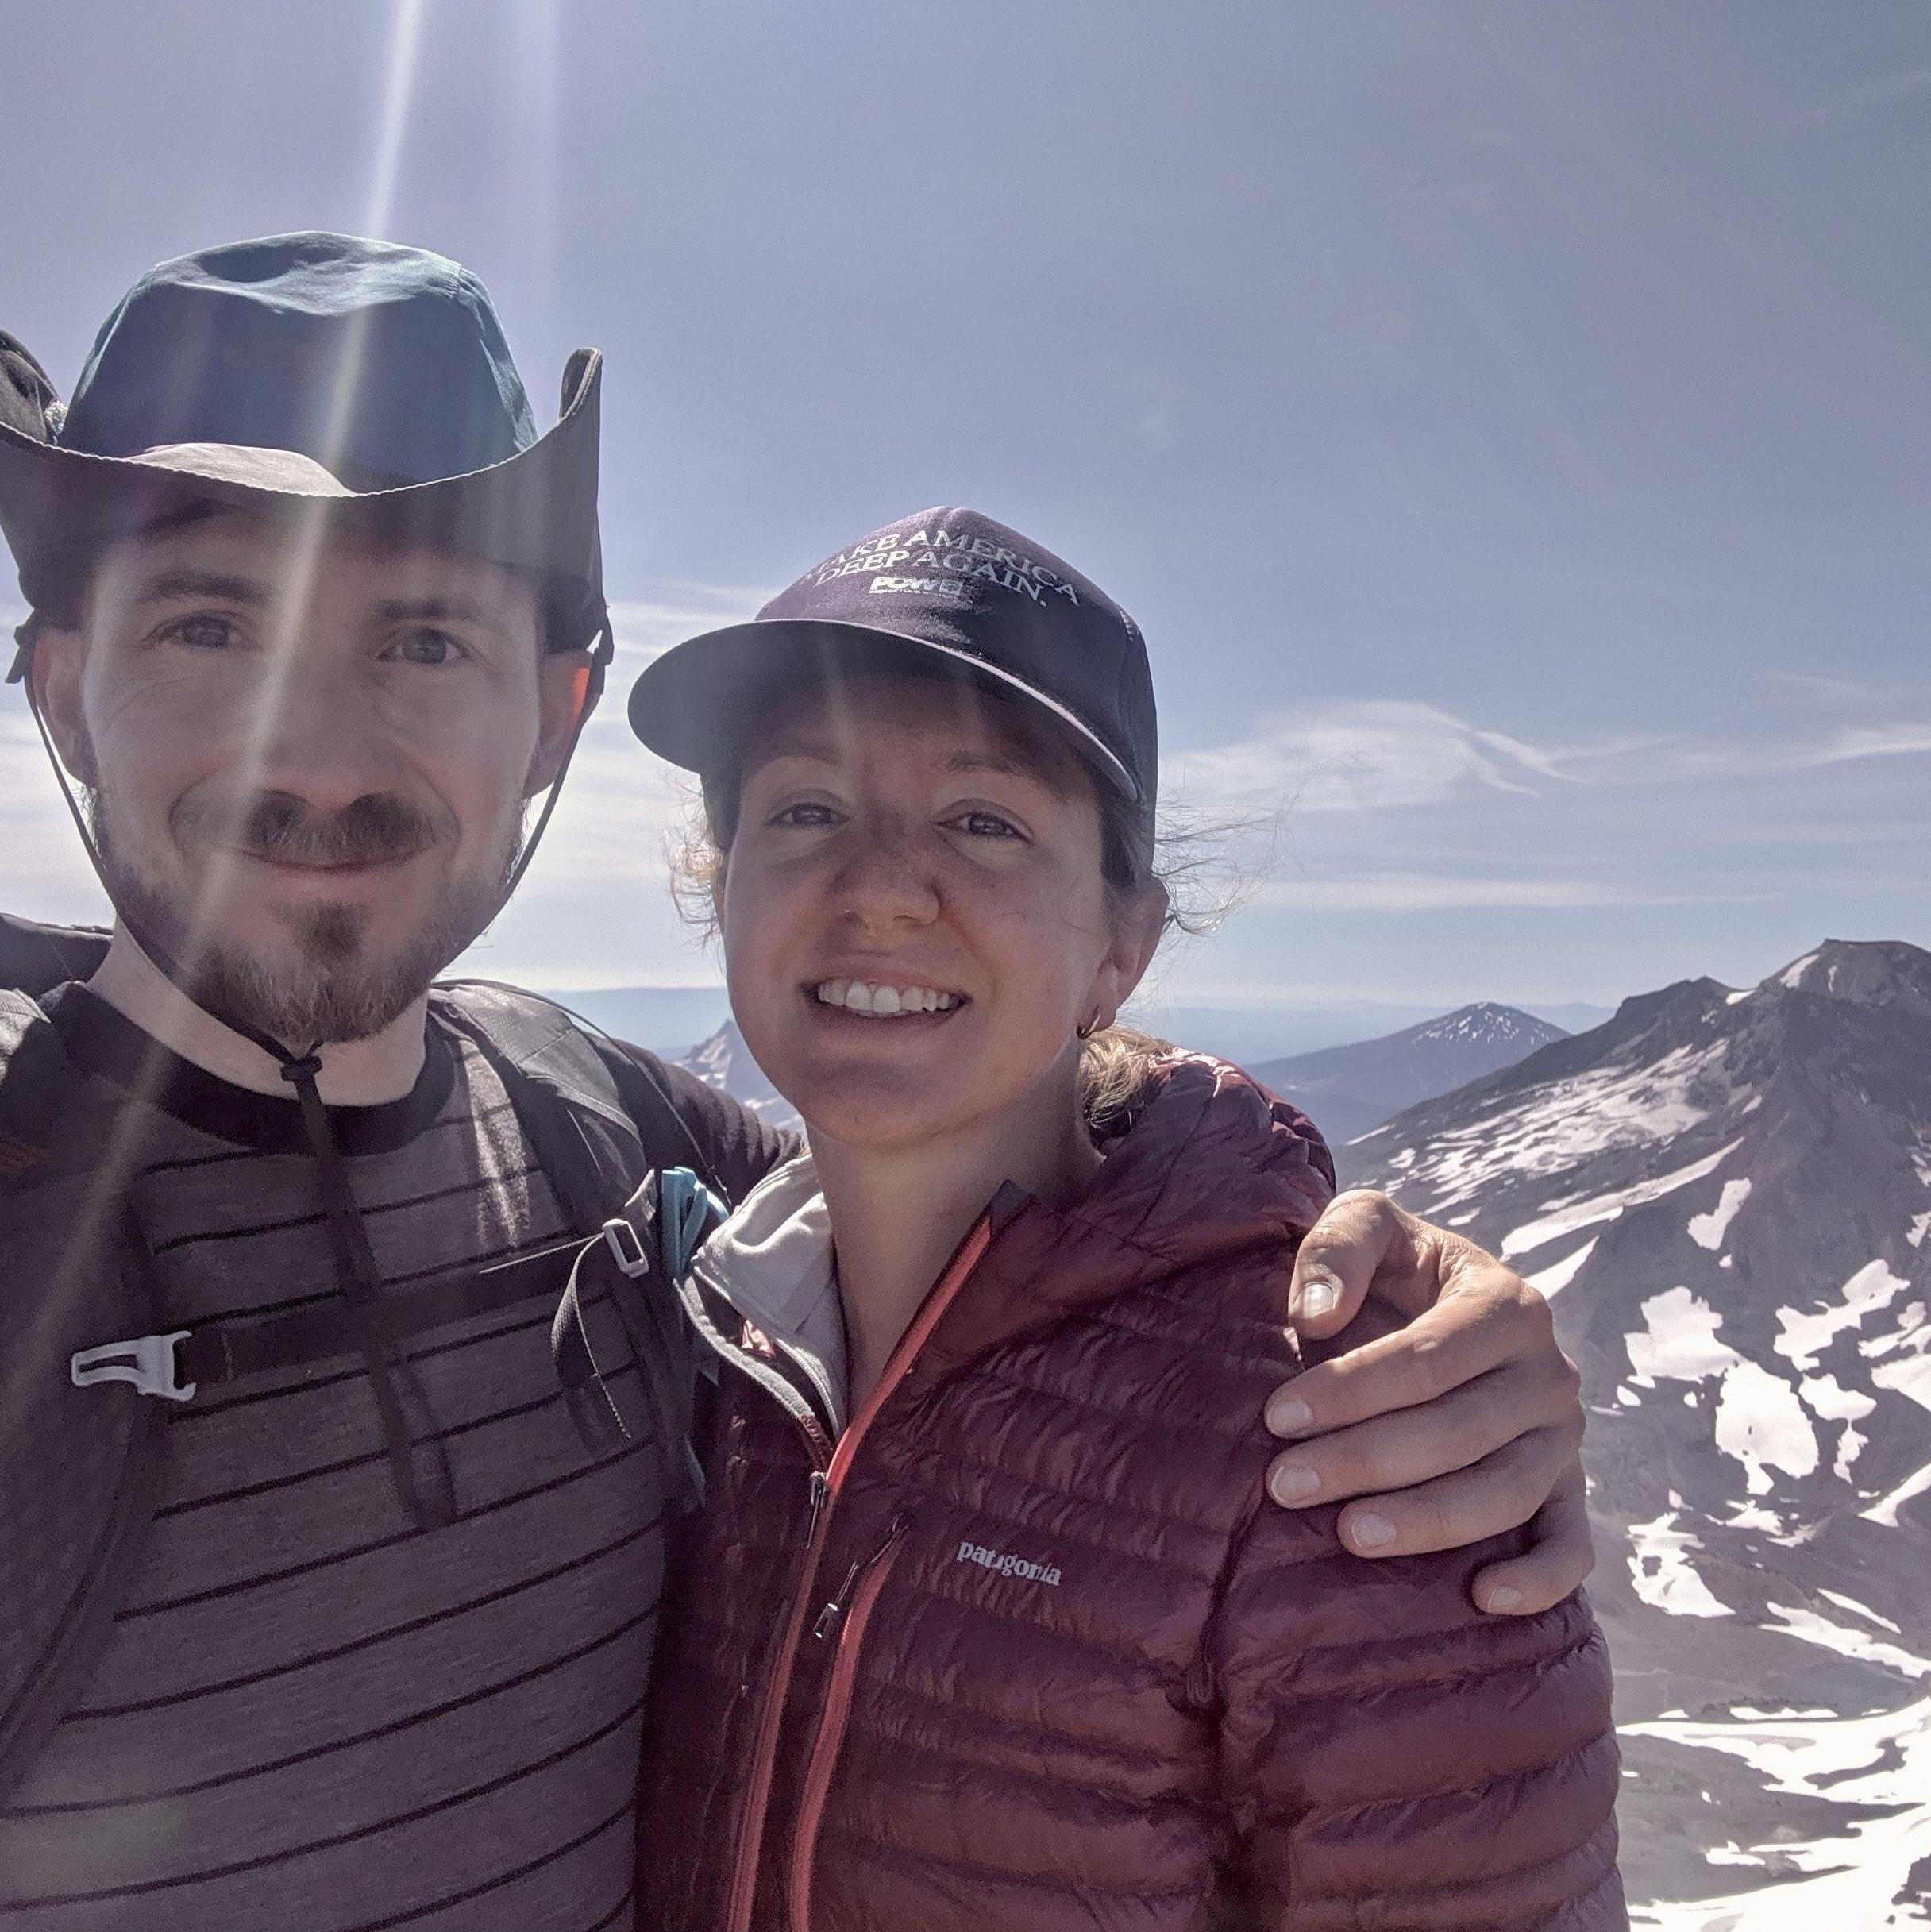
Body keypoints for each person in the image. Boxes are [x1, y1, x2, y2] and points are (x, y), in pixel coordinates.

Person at [0, 237, 1589, 1930]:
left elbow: (990, 1198)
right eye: (209, 624)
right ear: (62, 697)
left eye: (421, 641)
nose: (311, 753)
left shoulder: (608, 1145)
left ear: (552, 720)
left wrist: (1409, 1309)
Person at [626, 508, 1624, 1930]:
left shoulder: (1357, 1425)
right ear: (721, 887)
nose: (883, 887)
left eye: (984, 820)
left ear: (1123, 941)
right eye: (804, 809)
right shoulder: (700, 1347)